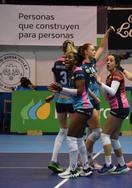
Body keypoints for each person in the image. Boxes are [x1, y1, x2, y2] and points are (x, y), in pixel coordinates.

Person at [48, 51, 94, 179]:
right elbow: (71, 93)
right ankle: (85, 168)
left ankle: (72, 170)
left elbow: (79, 92)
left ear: (75, 61)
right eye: (65, 57)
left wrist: (61, 89)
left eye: (69, 58)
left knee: (70, 137)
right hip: (82, 107)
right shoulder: (72, 73)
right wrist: (56, 92)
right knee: (79, 139)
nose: (66, 59)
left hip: (83, 108)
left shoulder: (78, 72)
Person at [77, 26, 114, 169]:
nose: (94, 51)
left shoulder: (92, 62)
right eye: (91, 49)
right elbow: (84, 87)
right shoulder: (82, 68)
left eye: (94, 49)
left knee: (90, 132)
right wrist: (95, 97)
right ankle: (84, 159)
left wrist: (107, 34)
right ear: (85, 52)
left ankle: (88, 161)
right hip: (89, 100)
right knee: (97, 132)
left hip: (95, 99)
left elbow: (102, 47)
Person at [94, 54, 130, 175]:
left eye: (111, 60)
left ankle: (109, 165)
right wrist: (99, 85)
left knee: (104, 135)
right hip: (119, 107)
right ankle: (122, 165)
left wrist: (101, 84)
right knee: (113, 137)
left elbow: (113, 91)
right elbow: (106, 97)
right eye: (107, 60)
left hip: (120, 108)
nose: (108, 62)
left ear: (116, 63)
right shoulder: (110, 77)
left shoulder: (117, 75)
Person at [47, 40, 77, 173]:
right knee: (76, 133)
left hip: (59, 100)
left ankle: (53, 160)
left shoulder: (56, 63)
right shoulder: (74, 63)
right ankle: (79, 164)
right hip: (72, 99)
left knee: (62, 130)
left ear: (62, 49)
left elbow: (56, 83)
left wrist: (53, 95)